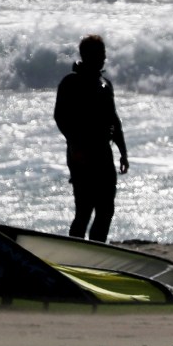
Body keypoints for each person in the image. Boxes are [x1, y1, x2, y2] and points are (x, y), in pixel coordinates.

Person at [53, 34, 129, 242]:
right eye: (100, 54)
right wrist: (75, 145)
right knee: (84, 210)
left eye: (104, 54)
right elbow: (60, 117)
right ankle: (75, 252)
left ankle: (97, 247)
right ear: (87, 55)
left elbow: (114, 119)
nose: (104, 58)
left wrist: (123, 152)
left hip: (103, 152)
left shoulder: (105, 84)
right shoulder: (70, 83)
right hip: (81, 154)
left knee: (106, 209)